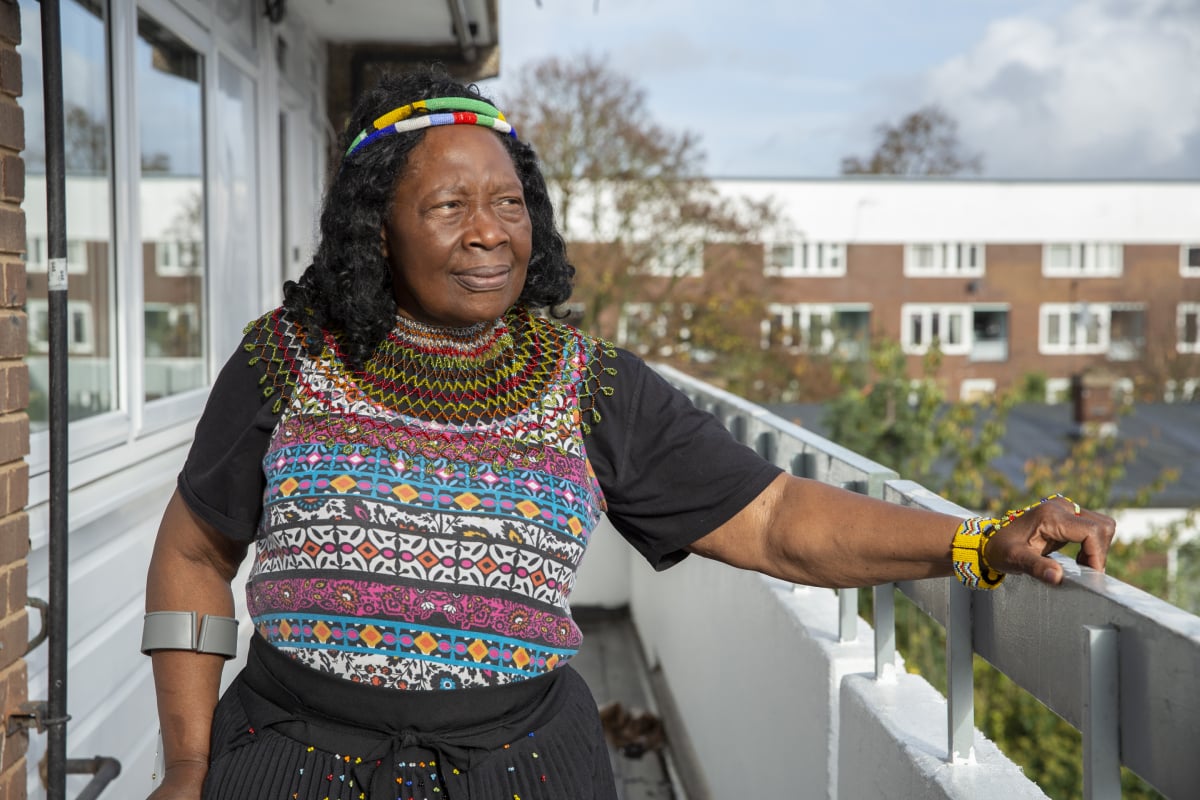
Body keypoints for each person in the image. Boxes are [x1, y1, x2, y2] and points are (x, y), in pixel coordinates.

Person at [142, 65, 1116, 800]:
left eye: (509, 202)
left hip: (523, 769)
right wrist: (189, 761)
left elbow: (779, 519)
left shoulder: (586, 381)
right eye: (447, 205)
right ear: (375, 225)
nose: (490, 231)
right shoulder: (289, 360)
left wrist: (980, 541)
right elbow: (193, 549)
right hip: (292, 758)